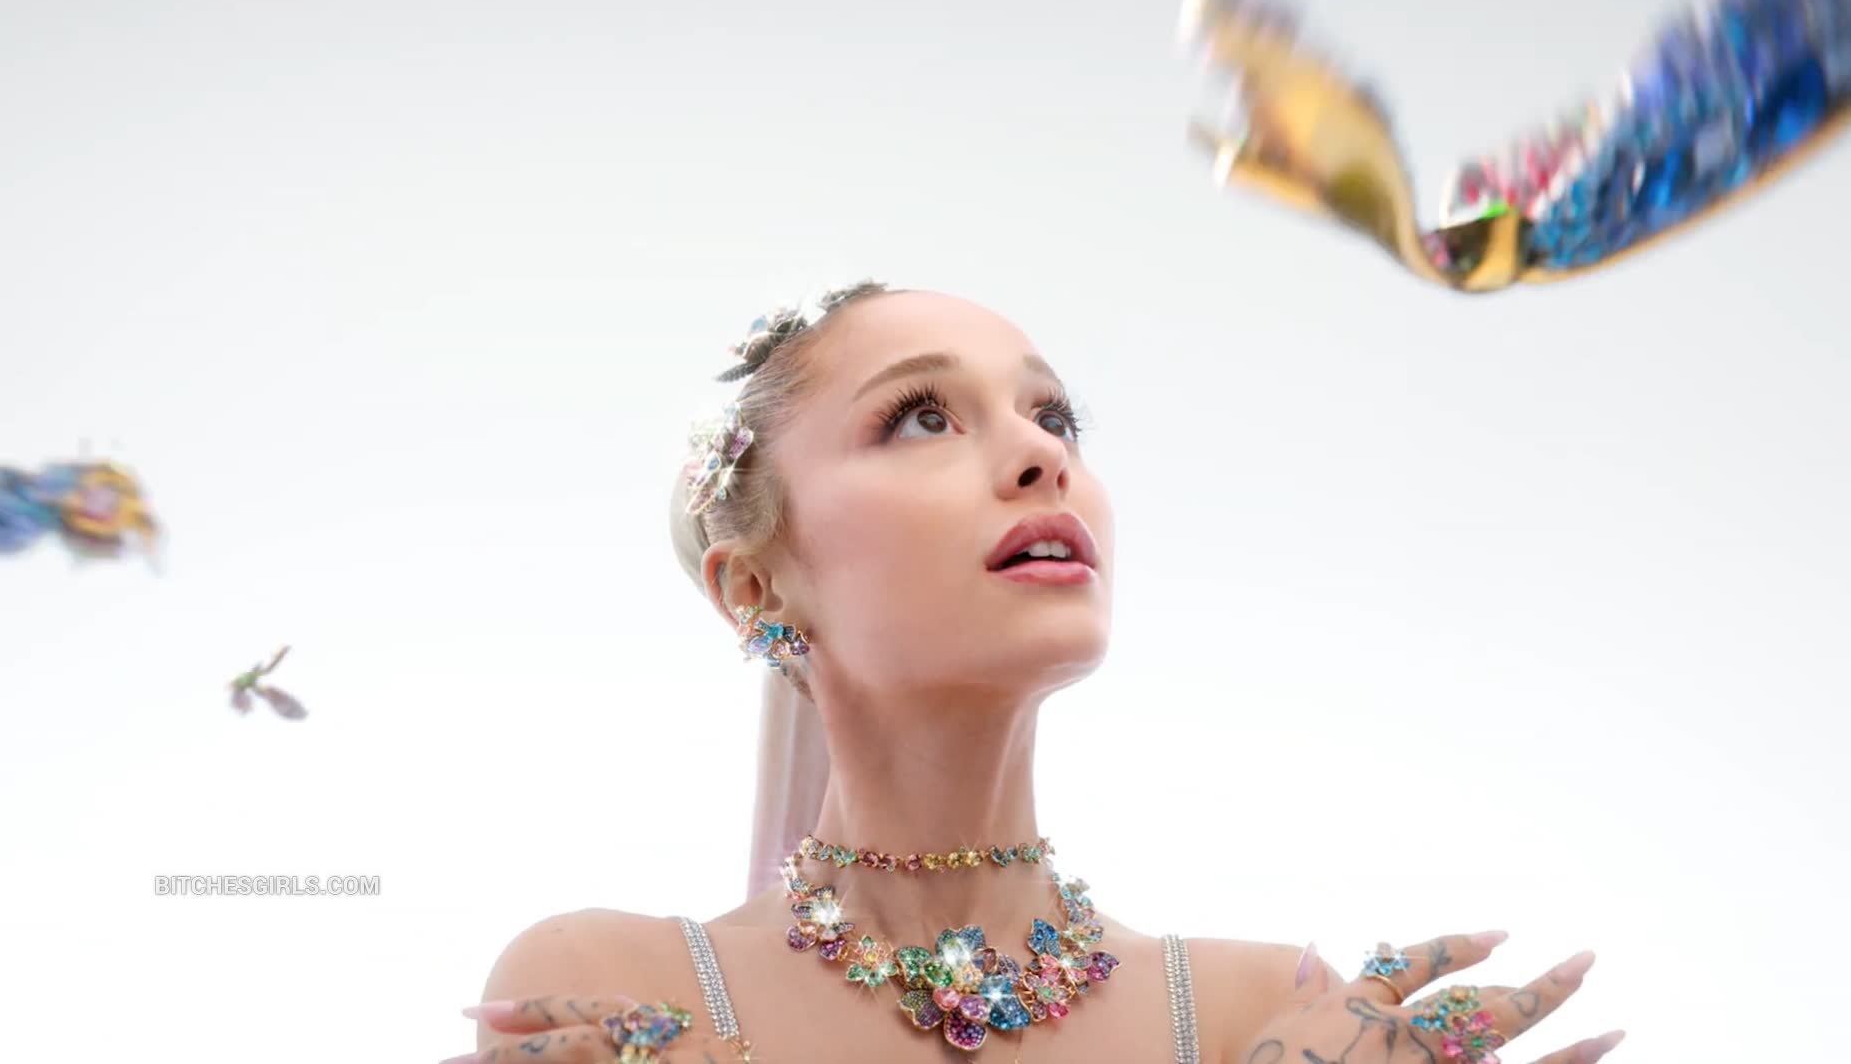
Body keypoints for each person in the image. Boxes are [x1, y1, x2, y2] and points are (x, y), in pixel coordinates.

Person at [443, 282, 1627, 1063]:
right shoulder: (617, 988)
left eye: (1054, 415)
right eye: (921, 416)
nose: (1038, 455)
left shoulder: (1267, 1011)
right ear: (753, 585)